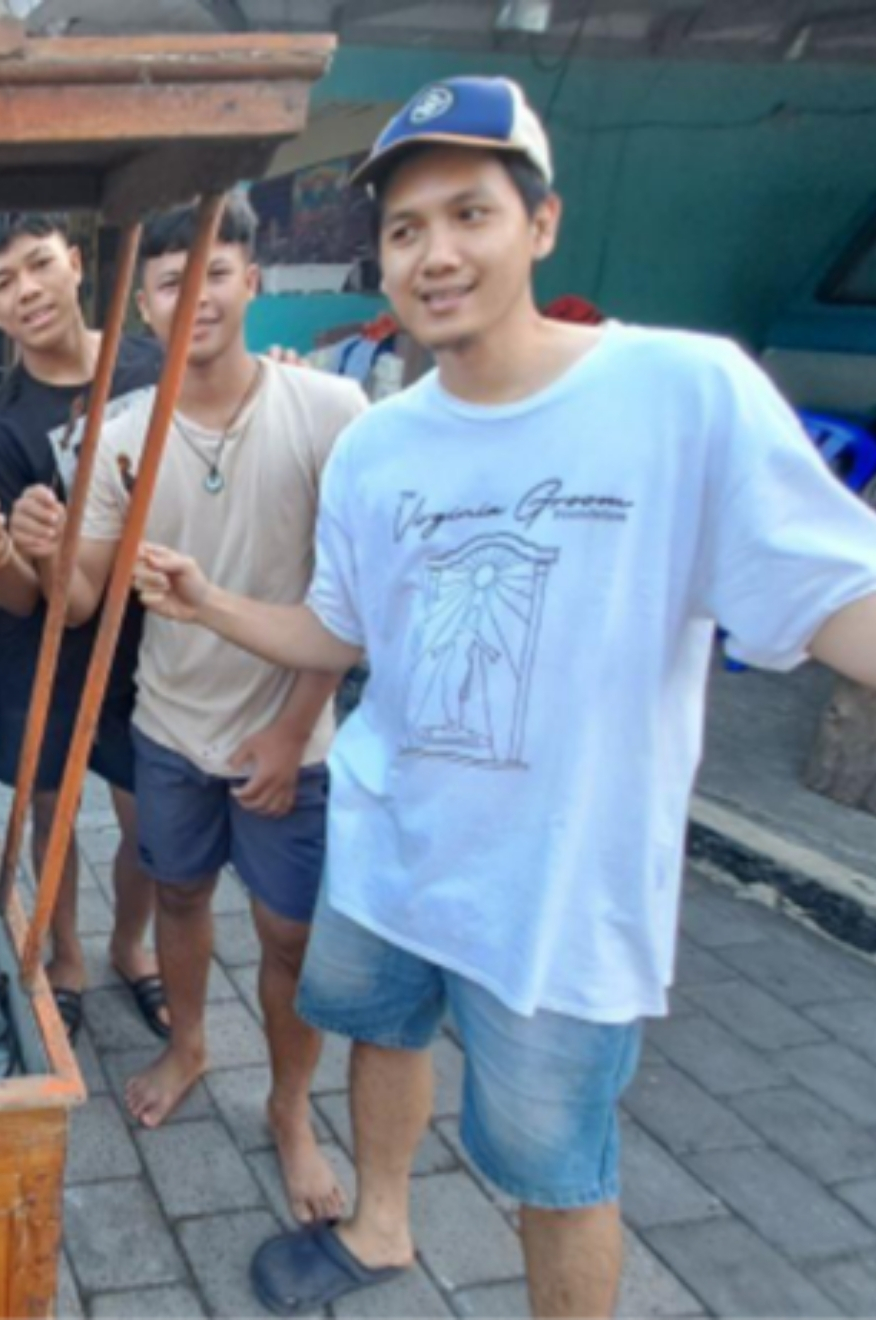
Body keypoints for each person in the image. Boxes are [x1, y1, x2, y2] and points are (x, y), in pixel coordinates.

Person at [118, 79, 876, 1317]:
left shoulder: (679, 394)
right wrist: (207, 604)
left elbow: (838, 597)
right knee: (380, 1036)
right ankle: (378, 1226)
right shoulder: (380, 444)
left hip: (559, 891)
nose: (434, 253)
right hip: (390, 849)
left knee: (554, 1170)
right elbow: (337, 631)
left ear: (541, 223)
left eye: (468, 213)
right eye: (405, 228)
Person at [12, 197, 367, 1224]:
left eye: (214, 271)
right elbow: (81, 600)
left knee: (287, 934)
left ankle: (291, 1106)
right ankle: (190, 1046)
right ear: (144, 307)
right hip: (169, 725)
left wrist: (291, 731)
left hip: (292, 734)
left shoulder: (332, 412)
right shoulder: (117, 436)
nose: (195, 296)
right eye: (170, 280)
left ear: (250, 280)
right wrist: (46, 547)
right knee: (177, 897)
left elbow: (351, 600)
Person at [0, 213, 167, 1046]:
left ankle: (130, 944)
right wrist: (14, 550)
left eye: (39, 265)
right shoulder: (1, 427)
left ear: (76, 264)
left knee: (147, 815)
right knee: (52, 808)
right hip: (48, 646)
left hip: (152, 634)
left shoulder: (152, 365)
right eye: (3, 283)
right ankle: (68, 956)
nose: (27, 291)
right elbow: (15, 597)